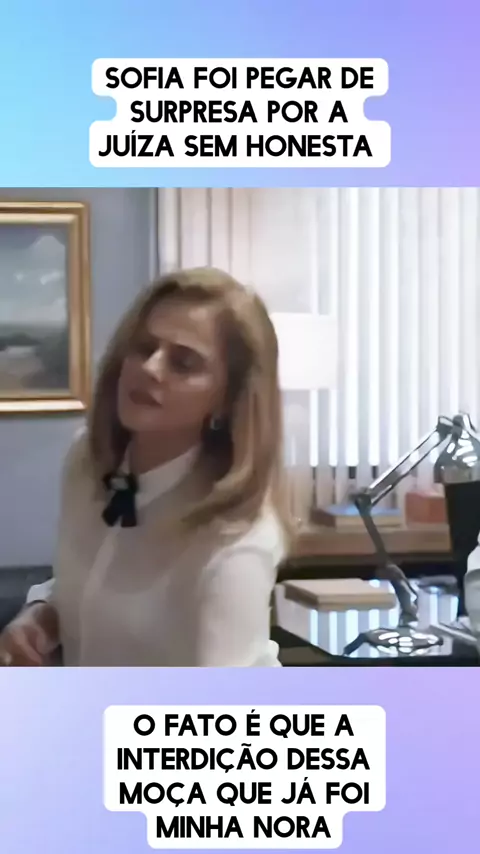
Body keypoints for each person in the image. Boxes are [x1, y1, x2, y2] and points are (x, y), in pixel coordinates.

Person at [0, 267, 292, 667]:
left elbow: (219, 705)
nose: (151, 368)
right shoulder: (87, 461)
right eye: (143, 347)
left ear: (227, 400)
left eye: (183, 362)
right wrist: (41, 614)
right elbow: (90, 581)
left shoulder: (236, 541)